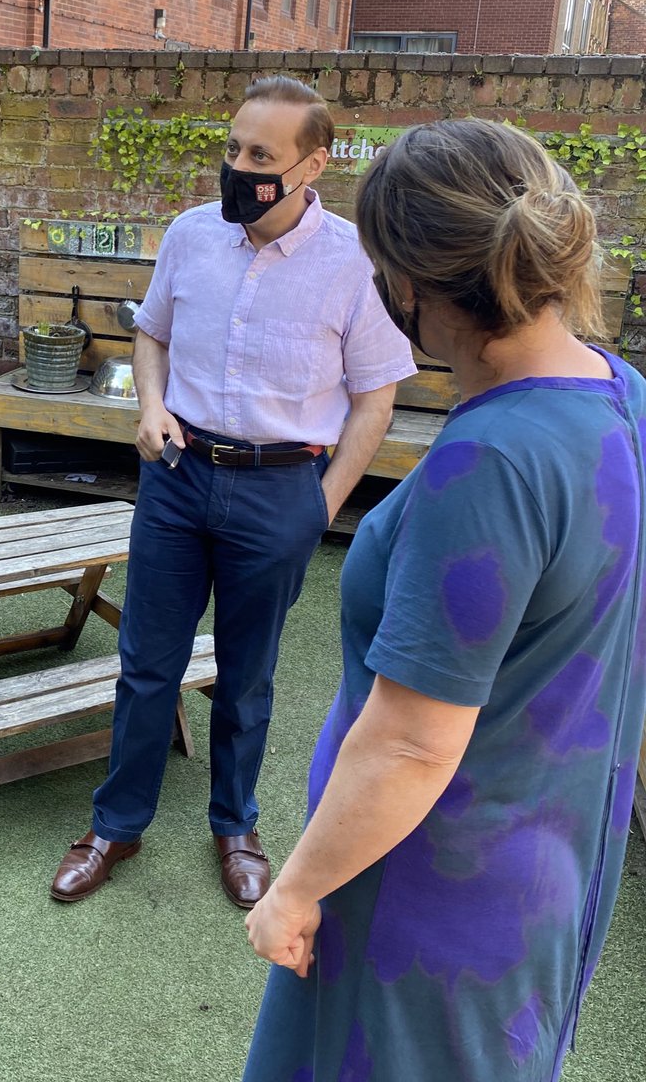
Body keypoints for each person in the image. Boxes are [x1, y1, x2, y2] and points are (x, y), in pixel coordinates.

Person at [242, 118, 646, 1082]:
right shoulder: (626, 396)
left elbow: (412, 745)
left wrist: (294, 890)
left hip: (430, 900)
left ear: (409, 285)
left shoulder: (492, 461)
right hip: (550, 867)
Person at [51, 76, 416, 906]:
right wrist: (150, 406)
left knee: (247, 676)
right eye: (232, 149)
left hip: (282, 489)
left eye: (260, 156)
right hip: (178, 478)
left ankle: (235, 826)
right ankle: (117, 825)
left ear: (312, 165)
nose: (239, 168)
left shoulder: (353, 263)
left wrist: (322, 505)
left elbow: (376, 399)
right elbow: (152, 335)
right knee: (147, 664)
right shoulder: (191, 235)